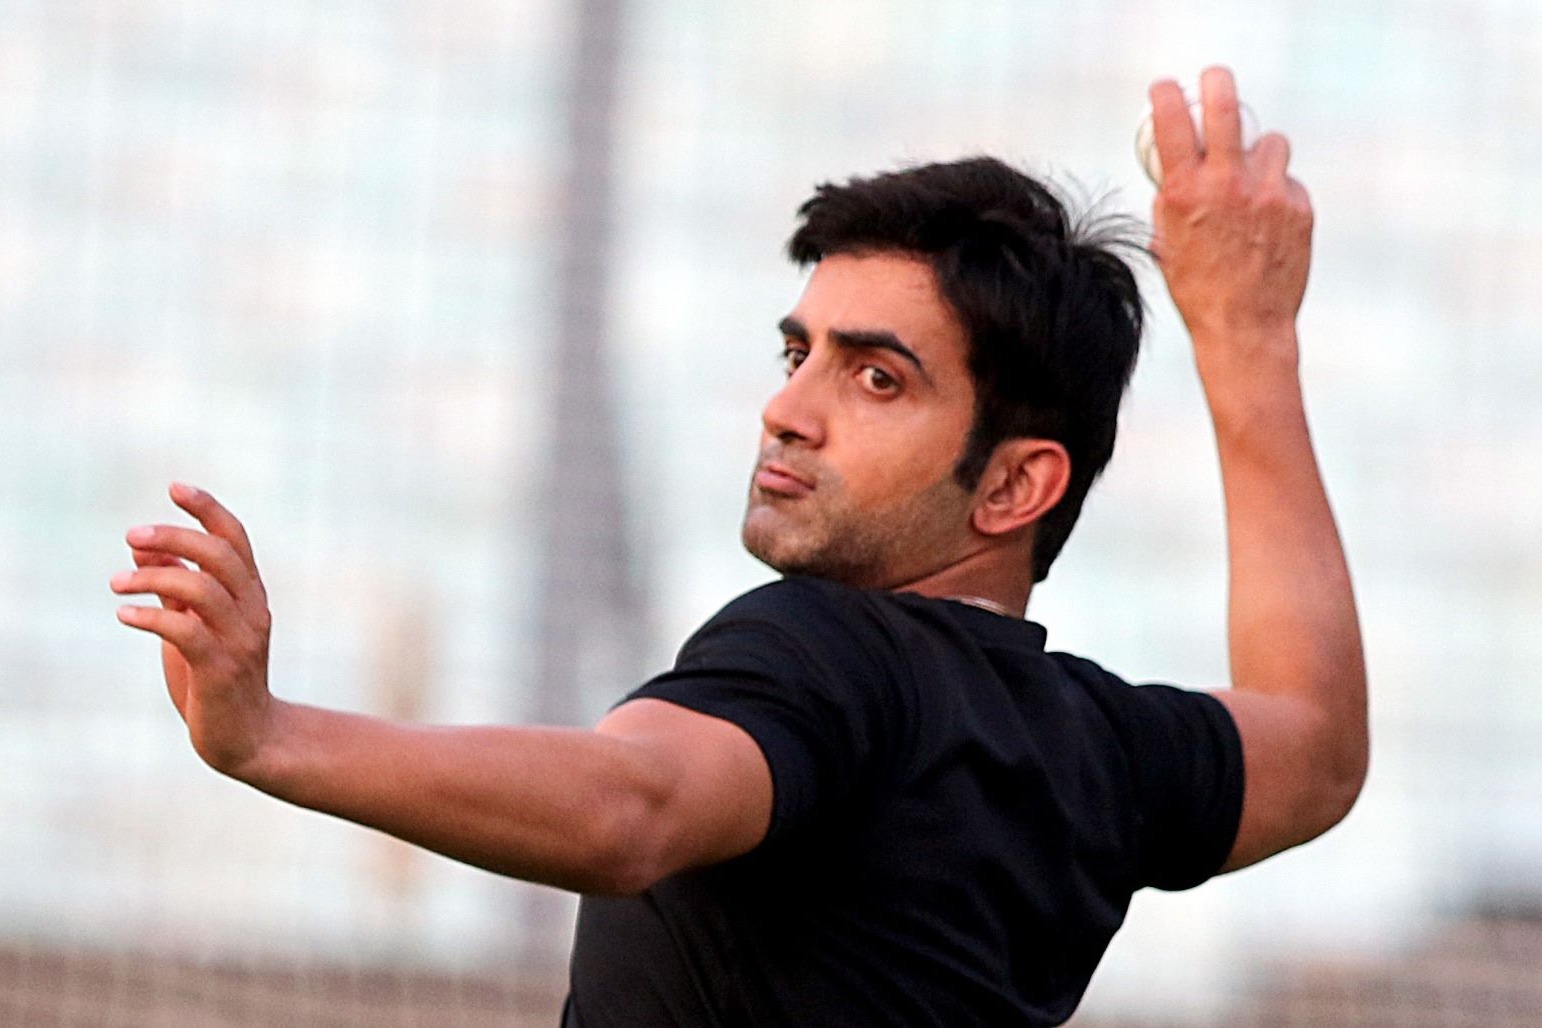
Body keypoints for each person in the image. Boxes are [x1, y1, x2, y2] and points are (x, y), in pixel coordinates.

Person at [111, 66, 1367, 1026]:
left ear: (1014, 484)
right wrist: (1247, 338)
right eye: (797, 351)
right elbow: (1313, 744)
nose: (787, 406)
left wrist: (271, 734)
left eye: (876, 377)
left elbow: (633, 803)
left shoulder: (827, 649)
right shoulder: (1094, 750)